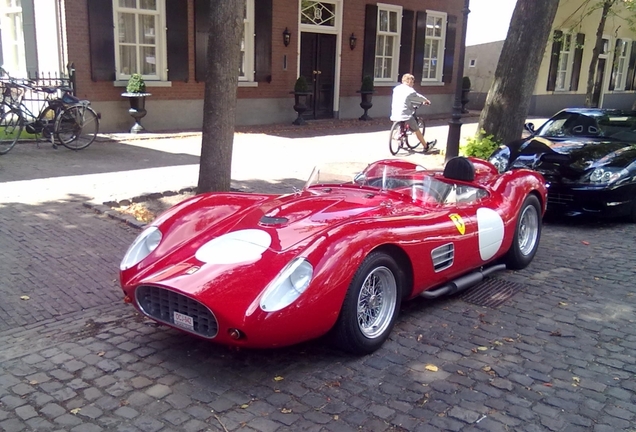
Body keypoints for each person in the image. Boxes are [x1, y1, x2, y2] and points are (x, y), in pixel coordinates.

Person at [390, 73, 437, 151]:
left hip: (395, 113)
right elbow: (418, 97)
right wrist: (426, 101)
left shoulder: (396, 88)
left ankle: (399, 137)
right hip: (405, 115)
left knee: (400, 125)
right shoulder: (410, 90)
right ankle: (426, 146)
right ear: (409, 81)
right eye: (412, 82)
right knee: (416, 129)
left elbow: (405, 99)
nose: (413, 84)